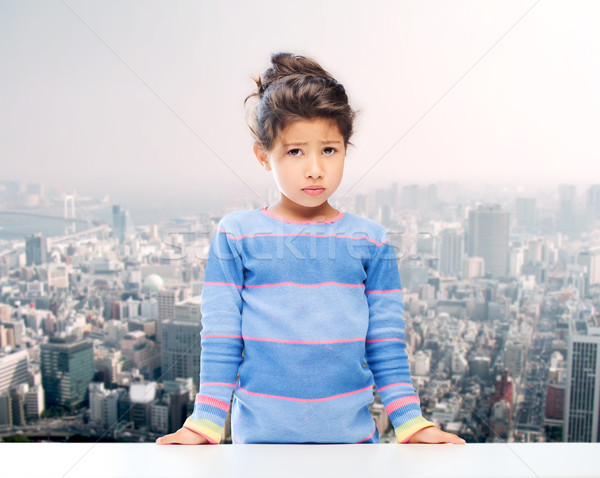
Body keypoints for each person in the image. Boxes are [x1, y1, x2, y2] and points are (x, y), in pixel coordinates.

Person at [156, 52, 465, 446]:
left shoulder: (371, 240)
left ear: (346, 150)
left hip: (353, 453)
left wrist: (411, 423)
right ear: (262, 155)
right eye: (295, 151)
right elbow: (221, 337)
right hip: (257, 455)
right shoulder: (236, 235)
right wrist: (204, 424)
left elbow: (385, 342)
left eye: (329, 150)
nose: (315, 168)